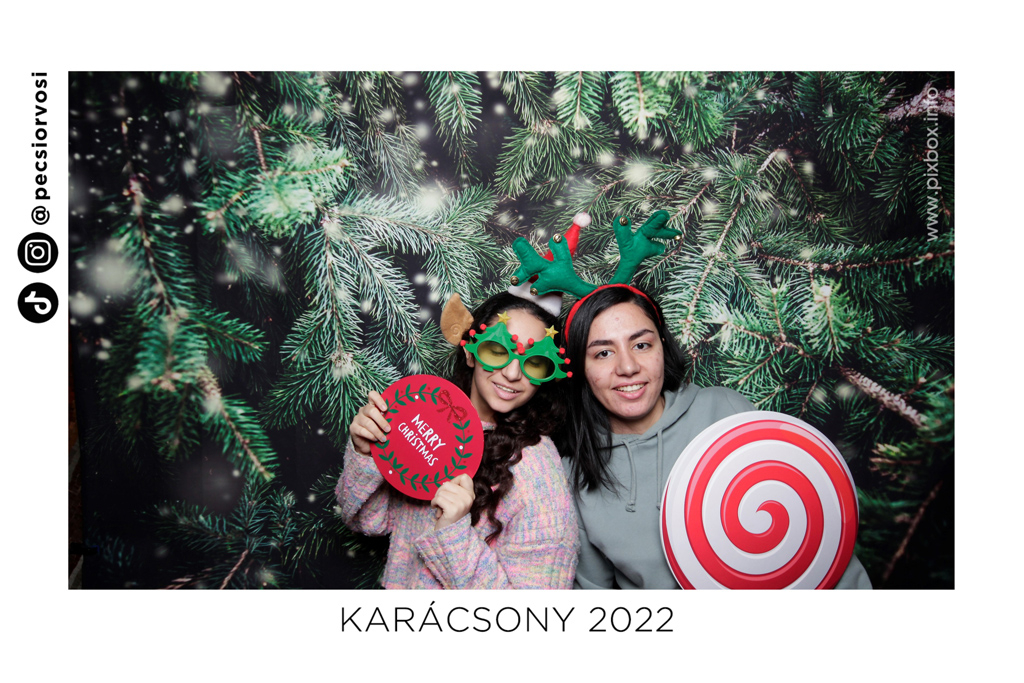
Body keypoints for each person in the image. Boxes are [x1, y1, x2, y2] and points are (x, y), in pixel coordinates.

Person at [559, 284, 872, 589]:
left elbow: (817, 537)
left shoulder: (724, 411)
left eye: (641, 345)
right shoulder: (574, 475)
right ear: (580, 368)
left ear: (662, 348)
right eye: (603, 353)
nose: (628, 367)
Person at [336, 292, 579, 589]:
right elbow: (368, 523)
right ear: (470, 352)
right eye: (497, 350)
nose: (513, 373)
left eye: (535, 362)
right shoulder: (423, 417)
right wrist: (366, 454)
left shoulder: (538, 470)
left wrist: (453, 532)